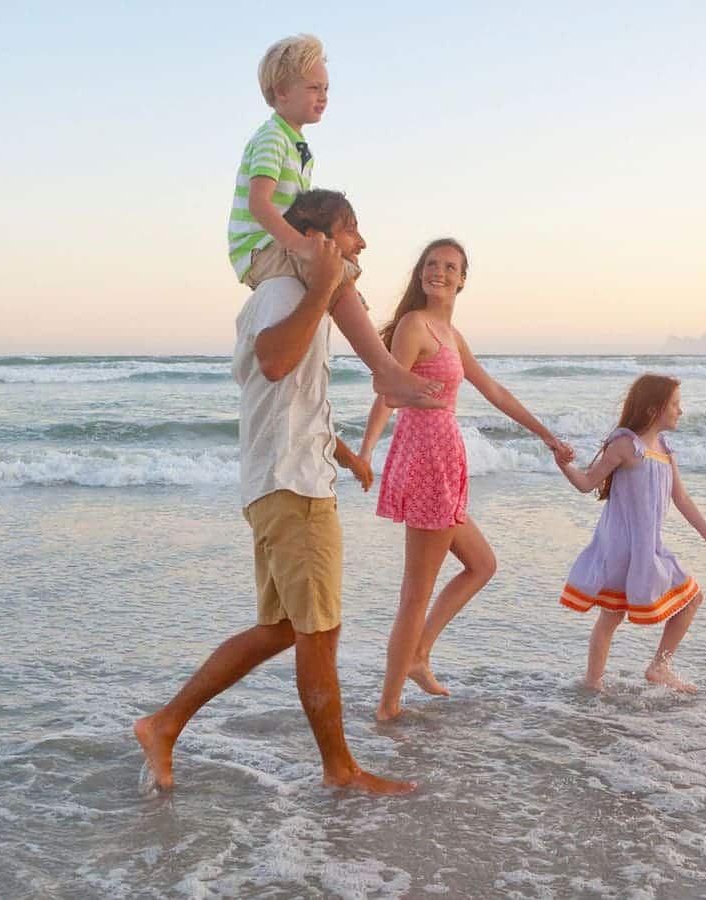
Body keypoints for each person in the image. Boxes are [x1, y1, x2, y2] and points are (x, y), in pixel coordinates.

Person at [134, 190, 437, 796]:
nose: (362, 244)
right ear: (315, 239)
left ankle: (164, 724)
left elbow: (293, 399)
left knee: (282, 630)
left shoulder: (289, 296)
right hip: (292, 489)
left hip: (285, 481)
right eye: (351, 230)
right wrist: (324, 287)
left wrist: (347, 454)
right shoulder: (285, 293)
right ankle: (341, 771)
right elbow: (275, 362)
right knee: (319, 632)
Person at [357, 239, 571, 721]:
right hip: (428, 457)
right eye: (431, 265)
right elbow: (388, 388)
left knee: (481, 563)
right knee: (416, 592)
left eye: (449, 267)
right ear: (420, 274)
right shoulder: (414, 325)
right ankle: (388, 707)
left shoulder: (450, 334)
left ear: (462, 279)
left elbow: (493, 390)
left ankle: (418, 654)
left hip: (445, 459)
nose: (438, 272)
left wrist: (546, 435)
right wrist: (368, 448)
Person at [554, 374, 706, 692]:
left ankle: (658, 667)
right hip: (621, 548)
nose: (681, 411)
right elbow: (587, 483)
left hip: (650, 548)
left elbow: (681, 499)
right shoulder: (625, 445)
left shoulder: (665, 448)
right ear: (654, 410)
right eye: (675, 405)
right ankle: (594, 682)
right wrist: (562, 464)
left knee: (691, 599)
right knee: (612, 616)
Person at [227, 34, 362, 302]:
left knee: (342, 268)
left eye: (325, 88)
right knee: (338, 279)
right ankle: (375, 346)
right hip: (258, 249)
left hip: (278, 244)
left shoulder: (299, 145)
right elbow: (259, 204)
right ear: (282, 91)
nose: (323, 96)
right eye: (314, 88)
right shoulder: (272, 138)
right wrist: (302, 246)